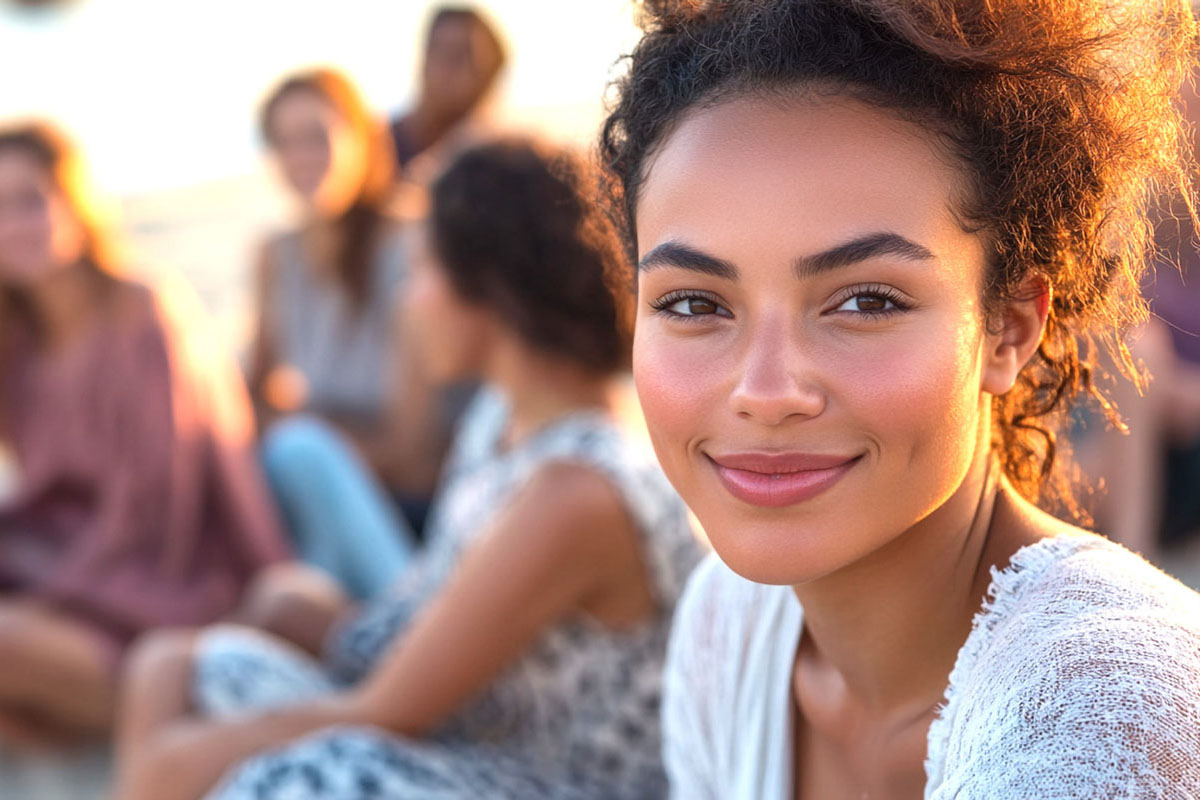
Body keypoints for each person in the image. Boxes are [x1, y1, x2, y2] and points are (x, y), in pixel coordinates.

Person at [599, 0, 1200, 796]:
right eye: (694, 304)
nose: (767, 392)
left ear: (1009, 328)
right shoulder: (727, 627)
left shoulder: (1105, 714)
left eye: (866, 301)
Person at [113, 138, 704, 800]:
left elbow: (388, 710)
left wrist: (167, 769)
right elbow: (419, 624)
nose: (406, 298)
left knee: (289, 780)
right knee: (189, 668)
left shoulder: (577, 490)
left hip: (556, 781)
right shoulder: (499, 419)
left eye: (421, 268)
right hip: (476, 737)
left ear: (488, 286)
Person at [0, 123, 288, 748]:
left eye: (30, 199)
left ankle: (122, 712)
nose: (14, 224)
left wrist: (48, 598)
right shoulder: (14, 339)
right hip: (69, 569)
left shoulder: (143, 310)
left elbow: (159, 507)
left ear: (74, 202)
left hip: (164, 587)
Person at [250, 69, 448, 597]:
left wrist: (308, 429)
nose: (302, 156)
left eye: (317, 135)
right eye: (284, 142)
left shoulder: (412, 241)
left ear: (363, 137)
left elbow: (414, 454)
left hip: (417, 516)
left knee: (295, 451)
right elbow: (251, 398)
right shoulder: (277, 255)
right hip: (326, 494)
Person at [389, 6, 507, 176]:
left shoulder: (492, 165)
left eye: (469, 59)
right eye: (448, 53)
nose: (458, 71)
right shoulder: (375, 151)